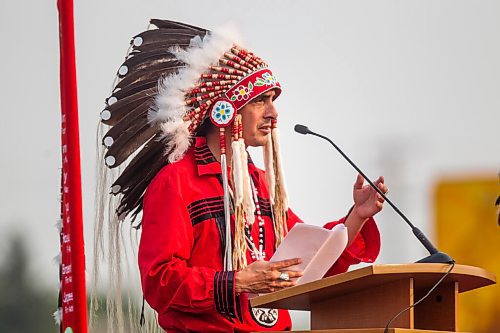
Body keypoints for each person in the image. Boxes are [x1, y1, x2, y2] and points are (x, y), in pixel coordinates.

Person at [98, 19, 388, 332]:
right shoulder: (176, 182)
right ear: (225, 109)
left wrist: (357, 217)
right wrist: (238, 282)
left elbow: (309, 262)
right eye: (261, 101)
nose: (274, 113)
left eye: (273, 101)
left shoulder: (260, 183)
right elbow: (160, 282)